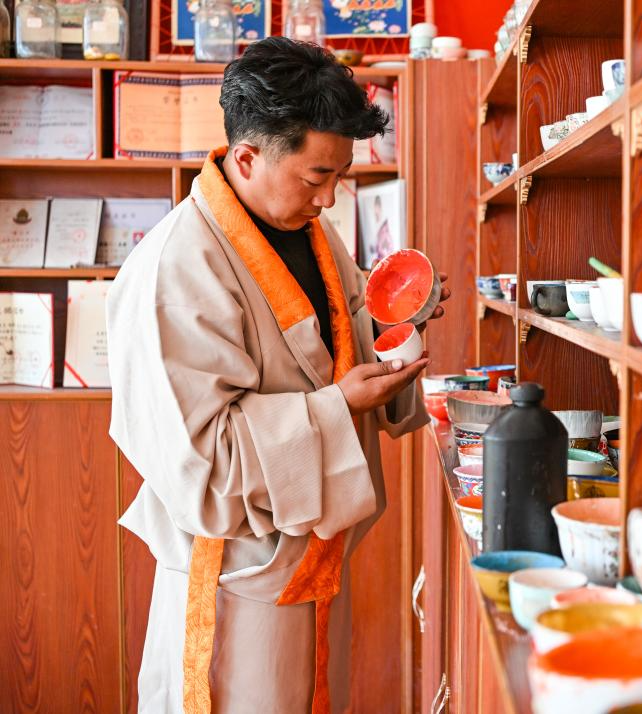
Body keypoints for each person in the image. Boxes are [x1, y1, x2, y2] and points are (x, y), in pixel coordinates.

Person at [106, 37, 447, 714]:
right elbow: (203, 460)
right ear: (247, 158)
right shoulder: (177, 267)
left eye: (339, 177)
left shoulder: (307, 230)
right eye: (316, 177)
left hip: (313, 555)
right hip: (236, 570)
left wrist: (398, 328)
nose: (329, 198)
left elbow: (338, 350)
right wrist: (338, 408)